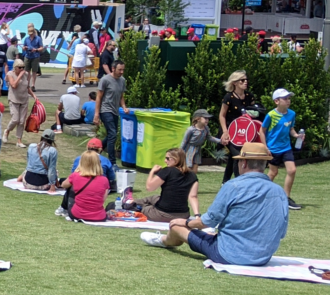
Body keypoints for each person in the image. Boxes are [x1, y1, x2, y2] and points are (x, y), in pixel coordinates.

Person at [140, 142, 289, 266]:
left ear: (243, 163)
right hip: (262, 258)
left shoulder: (233, 186)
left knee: (176, 226)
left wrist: (185, 222)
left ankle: (163, 240)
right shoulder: (280, 192)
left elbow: (208, 221)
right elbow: (281, 232)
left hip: (227, 254)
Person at [113, 147, 199, 222]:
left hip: (163, 214)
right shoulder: (192, 175)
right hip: (184, 215)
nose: (165, 161)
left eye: (167, 158)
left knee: (145, 208)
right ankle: (132, 201)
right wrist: (197, 215)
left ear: (175, 160)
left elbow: (149, 187)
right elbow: (193, 196)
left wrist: (152, 172)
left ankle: (130, 203)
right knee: (154, 198)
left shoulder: (167, 171)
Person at [264, 88, 303, 210]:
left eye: (289, 98)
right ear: (276, 101)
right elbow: (262, 130)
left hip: (286, 147)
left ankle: (286, 198)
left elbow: (291, 129)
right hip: (273, 148)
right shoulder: (271, 115)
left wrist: (296, 135)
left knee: (292, 170)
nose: (288, 101)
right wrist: (265, 146)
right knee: (273, 173)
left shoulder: (291, 114)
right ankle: (261, 195)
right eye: (285, 98)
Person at [219, 70, 258, 182]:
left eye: (246, 80)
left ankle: (225, 182)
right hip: (230, 130)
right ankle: (239, 180)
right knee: (238, 155)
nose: (245, 82)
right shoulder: (229, 97)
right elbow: (222, 115)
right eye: (242, 80)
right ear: (235, 82)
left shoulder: (249, 96)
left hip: (243, 131)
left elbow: (253, 113)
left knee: (233, 157)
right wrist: (225, 132)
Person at [60, 150, 109, 222]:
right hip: (99, 216)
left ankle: (62, 209)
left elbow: (64, 185)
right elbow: (103, 199)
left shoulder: (75, 176)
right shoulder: (105, 180)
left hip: (77, 214)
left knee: (70, 187)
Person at [95, 60, 128, 165]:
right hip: (105, 110)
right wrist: (96, 114)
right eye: (120, 70)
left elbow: (121, 96)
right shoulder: (105, 80)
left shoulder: (122, 80)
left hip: (115, 111)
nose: (122, 72)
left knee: (111, 134)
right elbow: (99, 97)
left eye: (123, 69)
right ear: (113, 69)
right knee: (113, 134)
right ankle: (112, 162)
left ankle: (96, 148)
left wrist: (124, 107)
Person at [3, 62, 37, 148]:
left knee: (22, 121)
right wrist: (20, 76)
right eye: (20, 67)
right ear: (15, 68)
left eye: (23, 67)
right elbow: (14, 85)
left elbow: (27, 87)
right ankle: (7, 131)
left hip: (24, 99)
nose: (22, 69)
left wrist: (33, 95)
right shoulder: (10, 74)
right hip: (14, 99)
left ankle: (19, 140)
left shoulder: (26, 74)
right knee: (15, 119)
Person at [181, 109, 221, 173]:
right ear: (198, 119)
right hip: (189, 149)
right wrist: (180, 152)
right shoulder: (191, 129)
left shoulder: (206, 128)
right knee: (188, 166)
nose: (207, 120)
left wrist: (220, 141)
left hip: (198, 149)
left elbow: (209, 137)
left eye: (208, 118)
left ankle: (193, 179)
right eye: (205, 118)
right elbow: (184, 141)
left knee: (196, 165)